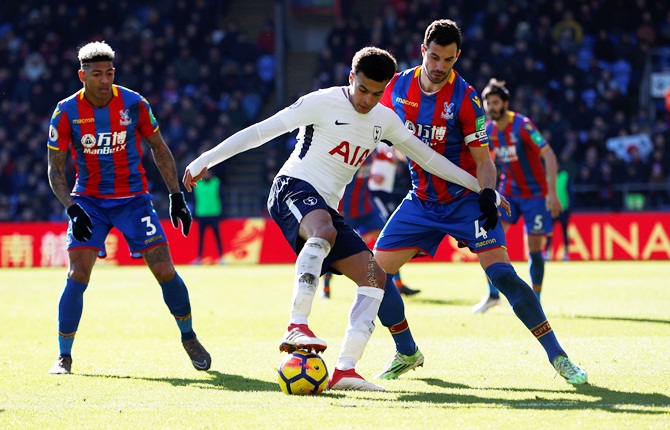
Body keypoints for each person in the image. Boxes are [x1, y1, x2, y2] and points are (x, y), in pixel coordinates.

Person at [182, 46, 492, 391]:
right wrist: (206, 159)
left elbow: (431, 159)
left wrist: (482, 188)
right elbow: (260, 131)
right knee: (323, 230)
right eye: (362, 90)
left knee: (375, 277)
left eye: (377, 93)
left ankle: (345, 369)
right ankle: (296, 324)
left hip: (327, 209)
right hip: (292, 187)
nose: (367, 100)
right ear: (351, 78)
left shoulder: (385, 119)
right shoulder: (322, 101)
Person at [373, 20, 588, 385]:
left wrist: (487, 192)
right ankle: (407, 350)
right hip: (421, 200)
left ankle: (560, 358)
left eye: (449, 60)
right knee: (372, 276)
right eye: (435, 57)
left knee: (504, 276)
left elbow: (484, 160)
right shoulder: (397, 85)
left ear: (458, 57)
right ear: (423, 50)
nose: (440, 67)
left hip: (465, 201)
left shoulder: (466, 98)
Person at [46, 41, 211, 375]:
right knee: (78, 273)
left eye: (109, 73)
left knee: (165, 269)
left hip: (134, 200)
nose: (104, 80)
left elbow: (159, 149)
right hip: (89, 201)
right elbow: (54, 166)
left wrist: (175, 195)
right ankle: (64, 355)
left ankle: (189, 336)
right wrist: (72, 208)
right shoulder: (65, 112)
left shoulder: (134, 103)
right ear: (82, 76)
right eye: (96, 75)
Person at [471, 78, 562, 313]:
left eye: (495, 102)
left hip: (535, 195)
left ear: (505, 103)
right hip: (508, 192)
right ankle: (493, 295)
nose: (491, 107)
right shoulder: (488, 130)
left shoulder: (523, 125)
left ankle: (536, 300)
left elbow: (549, 155)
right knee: (488, 239)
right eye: (487, 103)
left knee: (533, 249)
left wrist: (552, 193)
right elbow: (484, 162)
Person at [321, 153, 419, 299]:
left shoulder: (371, 151)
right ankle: (326, 289)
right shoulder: (348, 152)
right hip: (345, 211)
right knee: (334, 248)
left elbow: (386, 156)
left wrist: (392, 158)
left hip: (366, 208)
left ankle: (398, 284)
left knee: (390, 241)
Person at [192, 170, 225, 265]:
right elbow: (194, 199)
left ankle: (221, 258)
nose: (207, 175)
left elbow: (222, 198)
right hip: (201, 214)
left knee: (217, 238)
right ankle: (199, 258)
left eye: (208, 172)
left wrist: (222, 213)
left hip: (214, 214)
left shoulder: (216, 182)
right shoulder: (197, 184)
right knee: (201, 239)